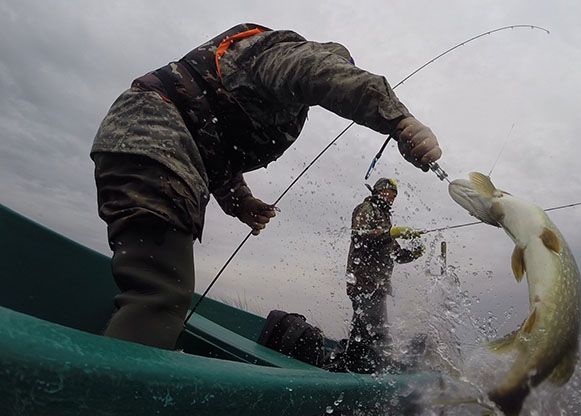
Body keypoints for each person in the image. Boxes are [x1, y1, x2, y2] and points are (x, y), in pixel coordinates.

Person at [91, 23, 442, 349]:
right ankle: (100, 410)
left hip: (158, 144)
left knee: (159, 291)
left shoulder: (263, 91)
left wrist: (240, 200)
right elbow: (319, 73)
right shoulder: (285, 56)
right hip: (154, 135)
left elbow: (212, 142)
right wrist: (401, 121)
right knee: (160, 295)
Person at [342, 177, 425, 372]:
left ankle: (354, 367)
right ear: (379, 191)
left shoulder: (386, 217)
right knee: (377, 333)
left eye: (395, 195)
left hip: (378, 286)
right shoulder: (365, 208)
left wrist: (413, 253)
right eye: (389, 192)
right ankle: (378, 371)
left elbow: (395, 253)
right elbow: (359, 234)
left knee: (362, 331)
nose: (392, 197)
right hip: (364, 282)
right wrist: (392, 232)